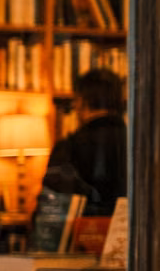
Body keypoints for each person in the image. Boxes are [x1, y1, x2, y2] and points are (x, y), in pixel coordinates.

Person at [42, 68, 126, 217]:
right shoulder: (138, 146)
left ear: (81, 101)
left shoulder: (69, 147)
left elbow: (52, 210)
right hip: (130, 236)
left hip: (82, 235)